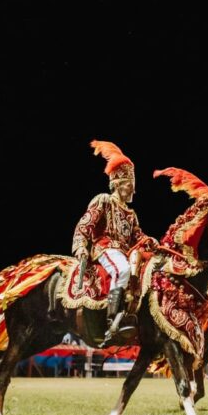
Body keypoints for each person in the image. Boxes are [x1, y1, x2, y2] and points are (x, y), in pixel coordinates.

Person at [72, 141, 155, 345]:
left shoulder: (131, 214)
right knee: (122, 270)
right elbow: (86, 224)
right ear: (117, 183)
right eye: (129, 183)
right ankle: (112, 319)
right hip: (105, 247)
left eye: (132, 184)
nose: (132, 188)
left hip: (125, 252)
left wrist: (150, 241)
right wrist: (80, 245)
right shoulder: (104, 200)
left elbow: (137, 236)